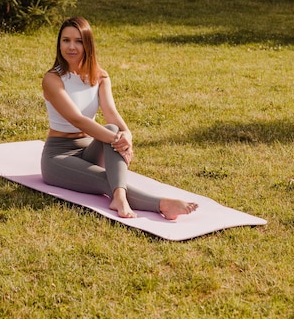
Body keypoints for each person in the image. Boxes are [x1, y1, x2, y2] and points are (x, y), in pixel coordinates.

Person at [40, 17, 199, 220]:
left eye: (78, 41)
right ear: (59, 43)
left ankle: (121, 196)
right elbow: (77, 120)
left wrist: (126, 134)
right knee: (104, 177)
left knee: (114, 129)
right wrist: (116, 141)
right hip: (58, 157)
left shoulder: (100, 77)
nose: (71, 47)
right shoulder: (52, 79)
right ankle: (159, 204)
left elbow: (111, 114)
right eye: (66, 40)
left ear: (88, 44)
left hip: (89, 150)